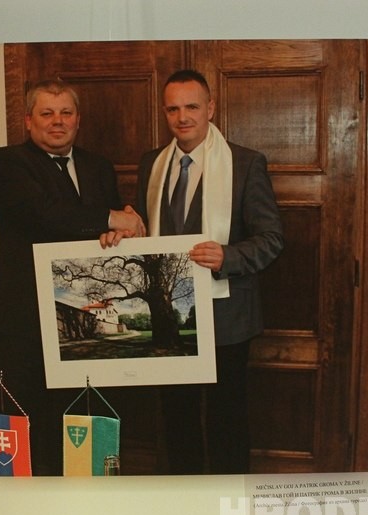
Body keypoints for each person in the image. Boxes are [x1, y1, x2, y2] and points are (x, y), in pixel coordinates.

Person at [101, 69, 284, 474]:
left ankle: (227, 499)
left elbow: (271, 238)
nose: (182, 117)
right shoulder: (152, 163)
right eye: (173, 109)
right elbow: (145, 231)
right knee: (176, 417)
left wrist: (228, 257)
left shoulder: (245, 163)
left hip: (226, 316)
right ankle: (184, 498)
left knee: (227, 420)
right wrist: (122, 236)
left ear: (210, 108)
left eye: (192, 107)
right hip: (169, 315)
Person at [0, 79, 145, 475]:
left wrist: (118, 230)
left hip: (81, 320)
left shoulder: (98, 166)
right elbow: (42, 215)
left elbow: (106, 235)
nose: (57, 121)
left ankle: (83, 501)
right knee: (28, 423)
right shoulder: (5, 162)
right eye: (47, 113)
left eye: (66, 113)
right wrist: (112, 218)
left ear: (78, 120)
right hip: (23, 320)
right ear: (28, 120)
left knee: (83, 421)